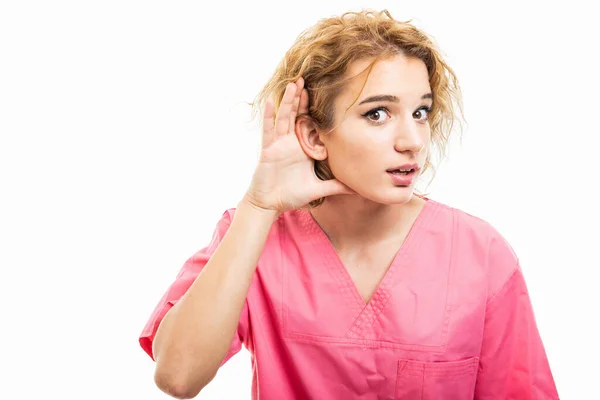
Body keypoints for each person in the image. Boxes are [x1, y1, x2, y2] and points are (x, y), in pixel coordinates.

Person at [138, 9, 559, 400]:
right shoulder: (254, 237)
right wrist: (260, 205)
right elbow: (178, 376)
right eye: (377, 114)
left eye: (420, 112)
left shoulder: (480, 253)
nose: (412, 141)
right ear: (315, 137)